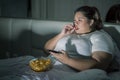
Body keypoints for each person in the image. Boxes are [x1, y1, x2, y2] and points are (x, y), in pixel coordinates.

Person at [45, 5, 119, 73]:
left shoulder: (100, 36)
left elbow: (99, 65)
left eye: (79, 20)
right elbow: (46, 49)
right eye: (74, 21)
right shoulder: (70, 33)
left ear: (91, 22)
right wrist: (62, 34)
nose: (75, 23)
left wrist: (67, 60)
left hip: (65, 72)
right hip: (46, 65)